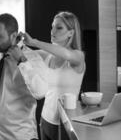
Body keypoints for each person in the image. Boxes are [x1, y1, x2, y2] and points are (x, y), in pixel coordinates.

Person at [21, 11, 86, 140]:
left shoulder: (78, 56)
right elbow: (24, 53)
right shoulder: (48, 56)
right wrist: (16, 42)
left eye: (59, 27)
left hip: (65, 124)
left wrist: (34, 42)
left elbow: (66, 54)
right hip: (45, 121)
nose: (53, 31)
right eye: (52, 26)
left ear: (71, 33)